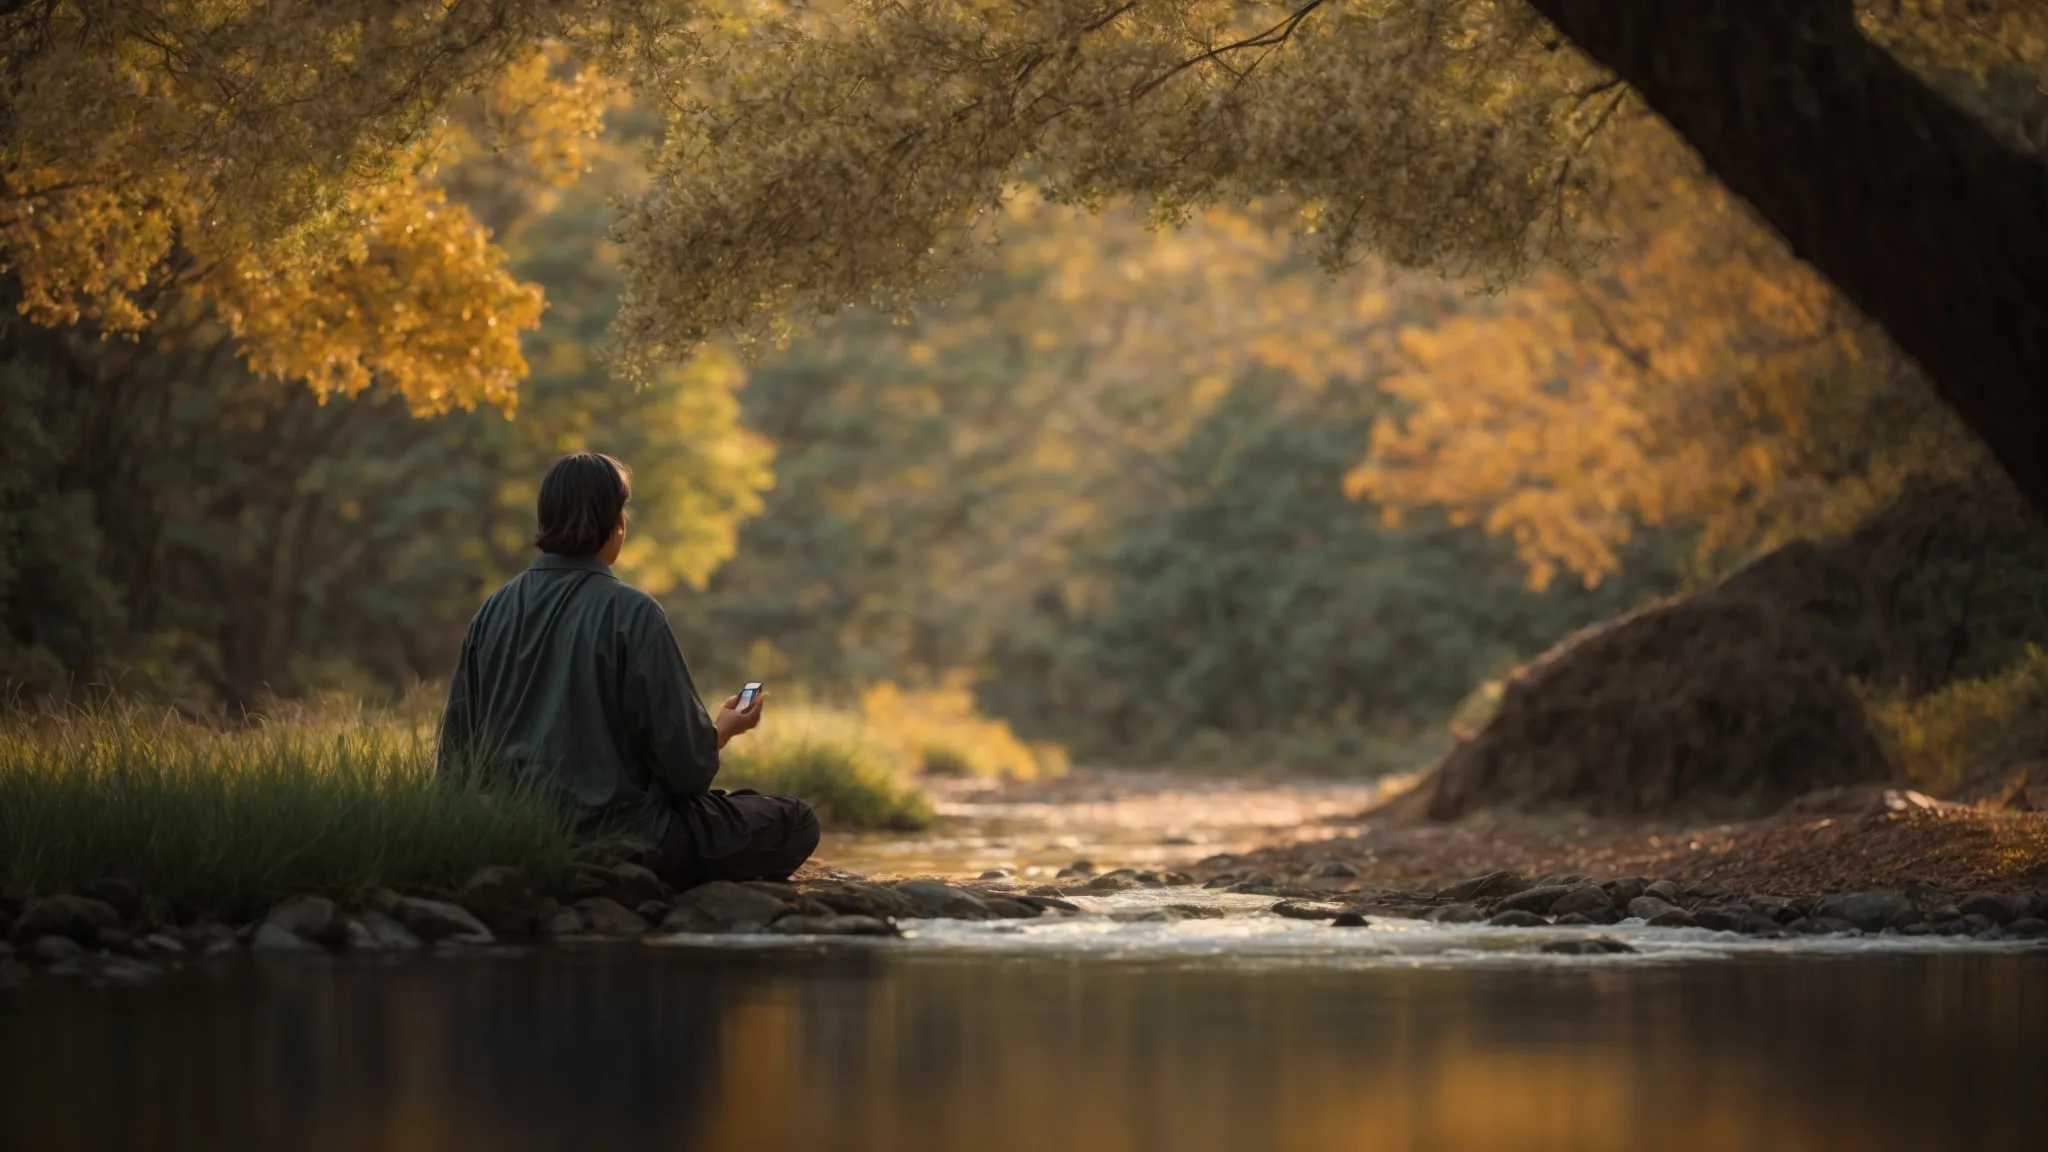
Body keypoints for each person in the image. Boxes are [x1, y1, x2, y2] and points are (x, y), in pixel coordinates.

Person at [437, 452, 819, 887]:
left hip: (517, 840)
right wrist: (724, 729)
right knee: (796, 819)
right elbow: (687, 771)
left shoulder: (491, 612)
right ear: (613, 522)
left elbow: (456, 759)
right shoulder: (634, 613)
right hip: (629, 839)